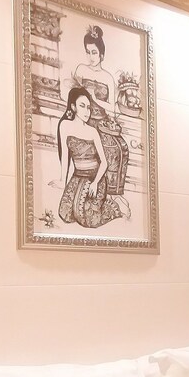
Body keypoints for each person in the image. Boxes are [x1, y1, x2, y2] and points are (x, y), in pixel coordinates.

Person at [72, 25, 130, 207]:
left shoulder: (107, 78)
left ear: (102, 55)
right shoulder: (81, 70)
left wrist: (96, 99)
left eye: (94, 52)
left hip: (103, 120)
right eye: (88, 52)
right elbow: (73, 94)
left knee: (119, 147)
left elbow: (113, 108)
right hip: (85, 118)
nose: (90, 57)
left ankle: (114, 193)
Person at [49, 87, 123, 228]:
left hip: (96, 179)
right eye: (82, 106)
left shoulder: (92, 131)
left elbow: (104, 163)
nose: (87, 111)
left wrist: (95, 182)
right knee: (65, 214)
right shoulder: (65, 125)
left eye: (88, 107)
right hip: (78, 177)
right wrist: (62, 181)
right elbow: (65, 156)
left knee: (89, 219)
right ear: (73, 107)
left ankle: (112, 206)